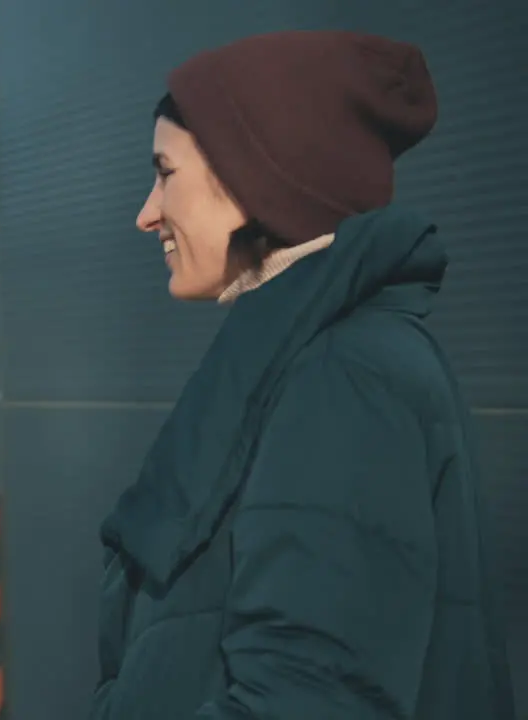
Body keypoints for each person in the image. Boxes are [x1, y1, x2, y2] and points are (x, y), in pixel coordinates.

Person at [91, 31, 515, 719]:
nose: (146, 214)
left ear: (253, 171)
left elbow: (306, 699)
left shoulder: (344, 377)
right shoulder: (314, 356)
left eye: (165, 173)